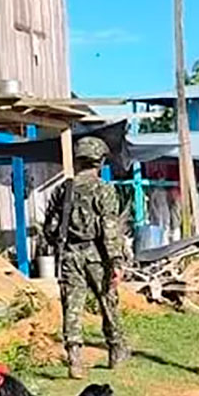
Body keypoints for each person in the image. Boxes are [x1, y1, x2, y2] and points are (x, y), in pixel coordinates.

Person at [45, 136, 129, 379]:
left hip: (70, 255)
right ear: (100, 161)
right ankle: (115, 351)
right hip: (97, 255)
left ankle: (75, 360)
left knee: (72, 306)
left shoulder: (64, 188)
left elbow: (49, 226)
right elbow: (109, 227)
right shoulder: (103, 189)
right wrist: (116, 261)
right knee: (107, 303)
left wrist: (61, 244)